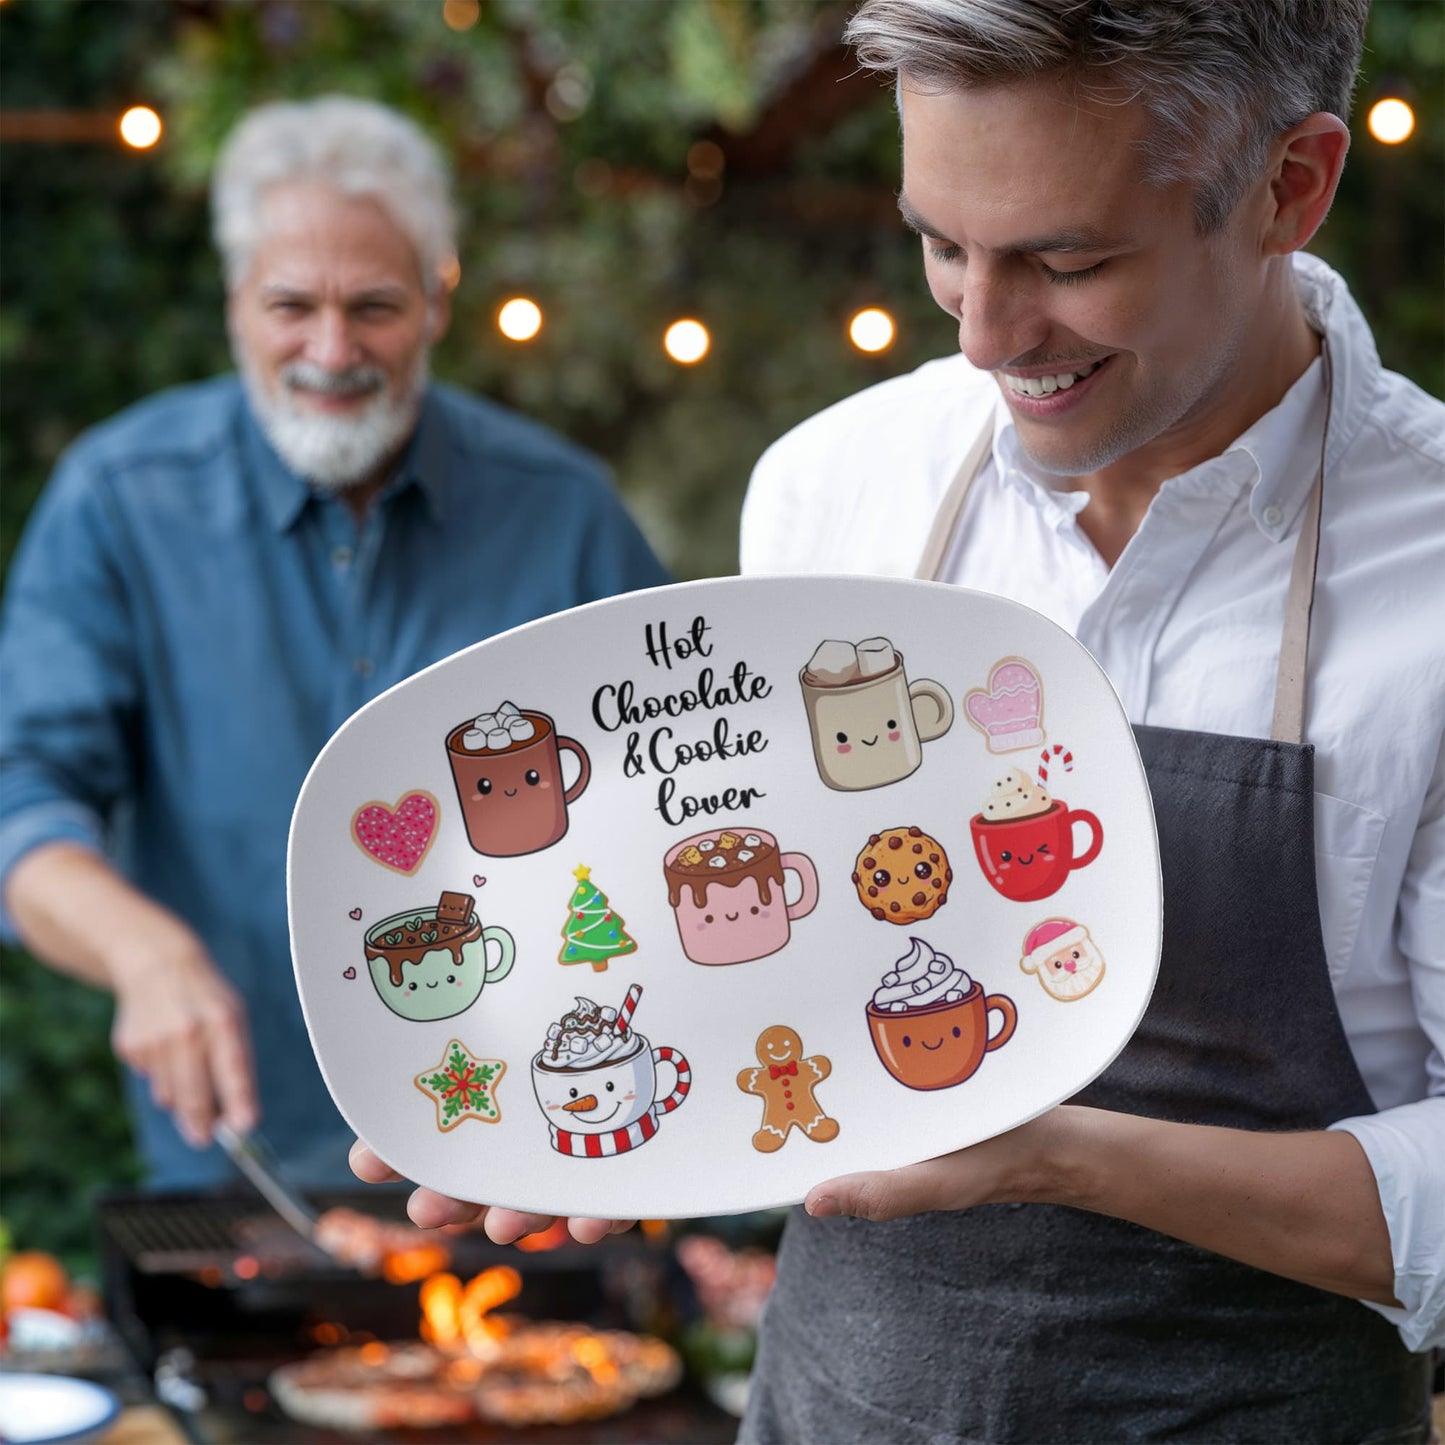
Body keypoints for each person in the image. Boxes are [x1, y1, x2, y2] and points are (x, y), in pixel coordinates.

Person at [353, 2, 1444, 1439]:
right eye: (940, 244)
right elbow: (773, 976)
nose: (988, 336)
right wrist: (629, 1107)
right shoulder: (836, 484)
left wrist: (1058, 1155)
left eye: (1067, 260)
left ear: (1289, 188)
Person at [0, 96, 669, 1191]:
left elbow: (671, 787)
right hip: (233, 1166)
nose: (331, 348)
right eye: (289, 305)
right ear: (233, 303)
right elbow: (22, 800)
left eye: (373, 306)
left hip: (534, 1140)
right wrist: (142, 950)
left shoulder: (566, 513)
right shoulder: (119, 499)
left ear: (439, 300)